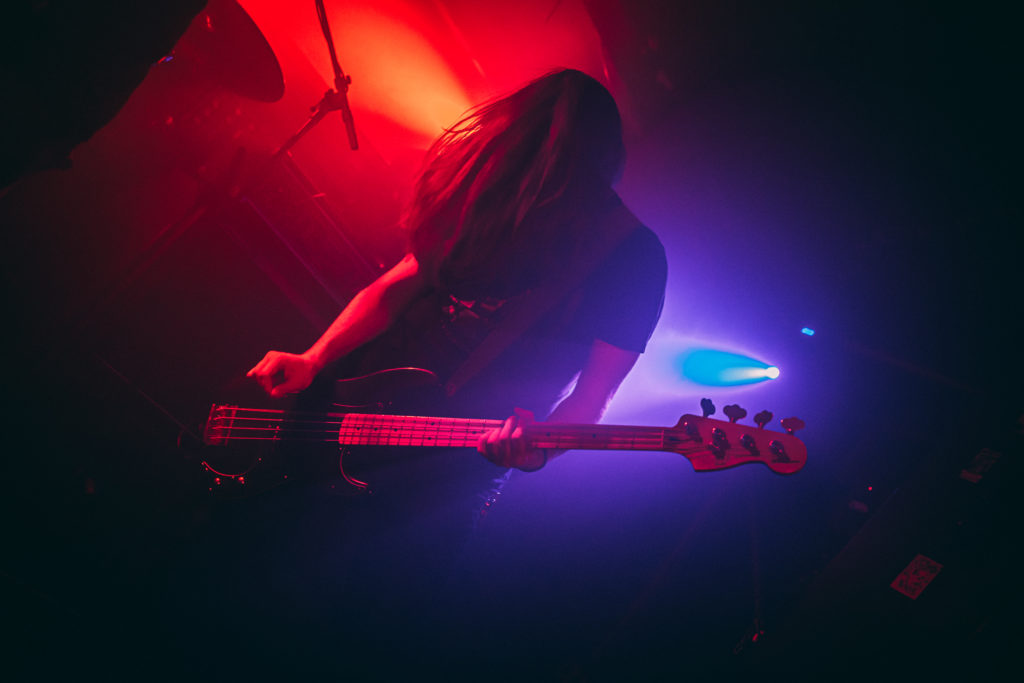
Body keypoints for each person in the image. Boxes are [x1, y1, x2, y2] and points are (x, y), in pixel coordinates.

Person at [247, 68, 666, 475]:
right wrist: (314, 358)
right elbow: (404, 277)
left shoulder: (631, 257)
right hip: (355, 398)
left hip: (446, 467)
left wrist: (532, 454)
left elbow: (593, 396)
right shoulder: (492, 186)